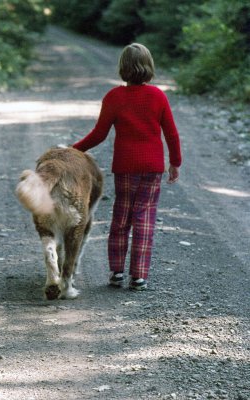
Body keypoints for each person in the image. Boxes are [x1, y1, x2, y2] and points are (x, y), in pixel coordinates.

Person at [72, 43, 182, 291]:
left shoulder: (114, 97)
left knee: (121, 217)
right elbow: (172, 134)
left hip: (125, 166)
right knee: (144, 218)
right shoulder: (158, 96)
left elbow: (98, 135)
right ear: (149, 67)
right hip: (153, 166)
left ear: (123, 68)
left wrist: (74, 149)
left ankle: (117, 273)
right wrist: (175, 163)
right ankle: (139, 276)